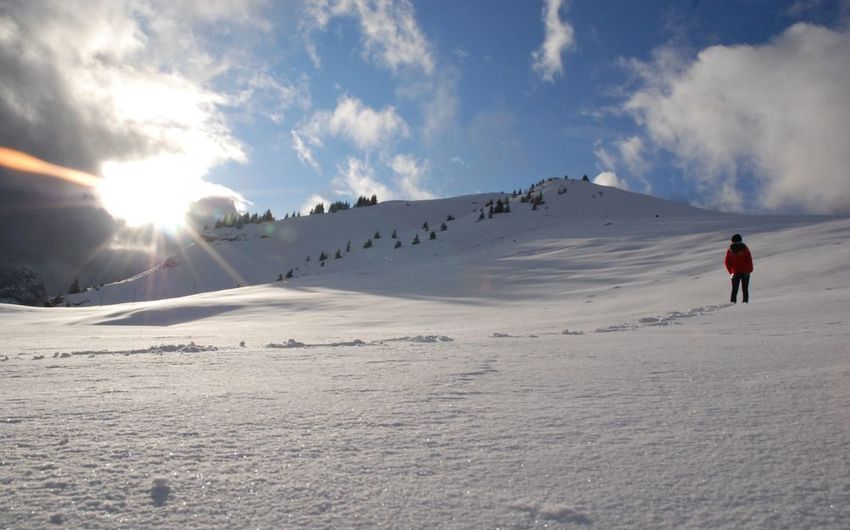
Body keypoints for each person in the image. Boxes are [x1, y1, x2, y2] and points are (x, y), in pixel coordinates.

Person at [724, 233, 753, 303]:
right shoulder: (745, 249)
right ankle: (745, 303)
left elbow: (726, 262)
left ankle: (733, 303)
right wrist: (750, 270)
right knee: (745, 289)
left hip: (735, 272)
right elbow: (749, 259)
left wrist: (730, 272)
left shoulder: (730, 250)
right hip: (745, 271)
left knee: (734, 289)